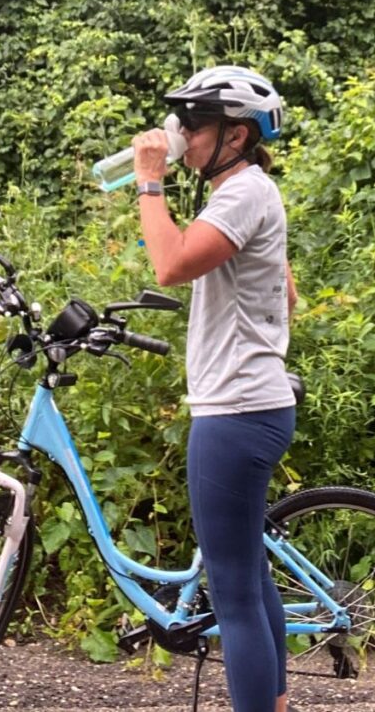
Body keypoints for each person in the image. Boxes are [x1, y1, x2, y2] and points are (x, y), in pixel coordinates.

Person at [131, 65, 298, 712]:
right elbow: (279, 285)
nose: (182, 135)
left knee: (232, 594)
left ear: (236, 134)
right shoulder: (249, 191)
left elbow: (169, 265)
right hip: (252, 404)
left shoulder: (240, 194)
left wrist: (151, 180)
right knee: (251, 580)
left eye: (194, 124)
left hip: (234, 413)